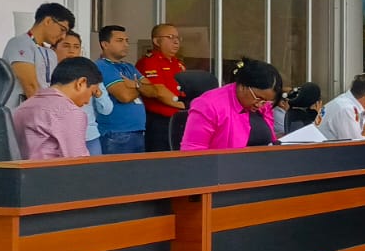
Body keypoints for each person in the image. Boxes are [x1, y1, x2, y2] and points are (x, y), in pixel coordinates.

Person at [12, 56, 101, 160]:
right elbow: (78, 162)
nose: (87, 101)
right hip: (50, 170)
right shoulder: (71, 113)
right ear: (81, 83)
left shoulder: (22, 108)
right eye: (91, 93)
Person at [180, 59, 279, 150]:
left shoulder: (263, 106)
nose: (260, 105)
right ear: (243, 86)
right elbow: (192, 152)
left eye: (266, 101)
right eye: (258, 98)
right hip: (223, 163)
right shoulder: (208, 106)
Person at [93, 25, 151, 155]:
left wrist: (134, 85)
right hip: (116, 134)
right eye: (120, 41)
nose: (125, 44)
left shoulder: (129, 66)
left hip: (138, 131)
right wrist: (139, 86)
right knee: (118, 169)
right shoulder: (101, 66)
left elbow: (153, 90)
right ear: (105, 44)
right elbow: (124, 96)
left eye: (126, 40)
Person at [55, 31, 113, 155]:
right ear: (54, 48)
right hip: (60, 138)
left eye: (76, 47)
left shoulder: (90, 73)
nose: (71, 51)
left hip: (89, 136)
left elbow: (107, 109)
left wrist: (98, 94)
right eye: (66, 46)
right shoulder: (48, 73)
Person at [3, 2, 74, 100]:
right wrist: (44, 108)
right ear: (48, 21)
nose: (63, 36)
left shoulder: (51, 53)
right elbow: (30, 86)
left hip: (44, 105)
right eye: (62, 29)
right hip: (22, 107)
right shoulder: (20, 43)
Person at [138, 24, 187, 152]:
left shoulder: (177, 63)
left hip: (179, 120)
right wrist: (185, 105)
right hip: (160, 122)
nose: (176, 41)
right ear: (156, 41)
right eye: (170, 37)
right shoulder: (150, 62)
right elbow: (159, 91)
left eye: (177, 38)